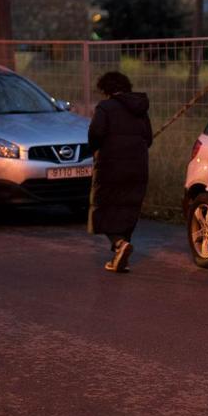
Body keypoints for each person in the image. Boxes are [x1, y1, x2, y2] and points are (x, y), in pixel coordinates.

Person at [87, 71, 153, 272]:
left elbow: (95, 133)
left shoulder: (105, 107)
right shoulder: (140, 108)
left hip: (110, 165)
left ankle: (119, 244)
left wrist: (97, 150)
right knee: (129, 206)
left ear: (106, 89)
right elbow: (148, 138)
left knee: (105, 205)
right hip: (138, 166)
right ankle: (120, 255)